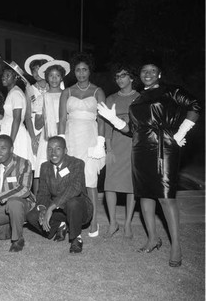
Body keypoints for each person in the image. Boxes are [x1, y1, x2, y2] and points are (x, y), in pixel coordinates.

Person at [98, 57, 200, 267]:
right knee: (144, 194)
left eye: (152, 70)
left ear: (159, 74)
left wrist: (182, 131)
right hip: (140, 149)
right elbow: (132, 130)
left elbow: (195, 105)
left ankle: (176, 246)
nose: (148, 74)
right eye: (144, 71)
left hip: (164, 147)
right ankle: (153, 238)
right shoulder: (138, 99)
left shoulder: (170, 91)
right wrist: (114, 119)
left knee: (165, 196)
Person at [58, 52, 105, 237]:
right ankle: (71, 221)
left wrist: (100, 143)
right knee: (69, 180)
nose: (81, 73)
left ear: (89, 71)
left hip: (90, 137)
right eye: (78, 70)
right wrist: (61, 143)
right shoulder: (67, 91)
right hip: (71, 137)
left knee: (91, 180)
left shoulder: (97, 91)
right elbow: (62, 119)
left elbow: (102, 119)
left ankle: (94, 221)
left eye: (84, 69)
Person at [26, 136, 93, 254]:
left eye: (58, 149)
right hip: (59, 210)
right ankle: (59, 226)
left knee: (73, 203)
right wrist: (42, 209)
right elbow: (43, 192)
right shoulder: (45, 167)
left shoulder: (77, 163)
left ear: (65, 151)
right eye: (50, 149)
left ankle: (76, 238)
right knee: (32, 217)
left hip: (79, 208)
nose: (53, 153)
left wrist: (50, 208)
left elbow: (75, 188)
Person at [0, 135, 35, 252]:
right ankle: (12, 230)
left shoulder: (23, 163)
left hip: (23, 205)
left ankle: (17, 239)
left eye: (3, 148)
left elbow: (24, 189)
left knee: (13, 202)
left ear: (11, 149)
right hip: (1, 206)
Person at [103, 64, 140, 239]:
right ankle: (112, 223)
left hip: (134, 146)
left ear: (132, 78)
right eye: (117, 76)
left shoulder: (141, 98)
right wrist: (108, 149)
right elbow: (107, 126)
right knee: (109, 185)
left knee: (131, 186)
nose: (119, 79)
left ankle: (127, 224)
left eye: (123, 75)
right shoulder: (111, 99)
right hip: (116, 146)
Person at [32, 59, 70, 193]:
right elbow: (37, 125)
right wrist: (44, 114)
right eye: (51, 76)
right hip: (46, 137)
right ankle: (38, 202)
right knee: (41, 169)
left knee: (64, 169)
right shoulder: (42, 97)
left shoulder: (67, 95)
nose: (54, 79)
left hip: (64, 135)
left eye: (57, 75)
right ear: (47, 78)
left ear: (61, 77)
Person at [23, 54, 53, 185]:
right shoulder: (30, 89)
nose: (36, 73)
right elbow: (28, 116)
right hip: (35, 127)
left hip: (51, 126)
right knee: (37, 166)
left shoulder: (54, 85)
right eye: (33, 70)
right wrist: (33, 137)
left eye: (39, 69)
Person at [0, 63, 33, 165]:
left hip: (15, 134)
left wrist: (10, 142)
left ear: (15, 78)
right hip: (9, 131)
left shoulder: (16, 94)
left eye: (8, 75)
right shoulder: (12, 92)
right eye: (3, 75)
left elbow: (17, 119)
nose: (4, 78)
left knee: (16, 166)